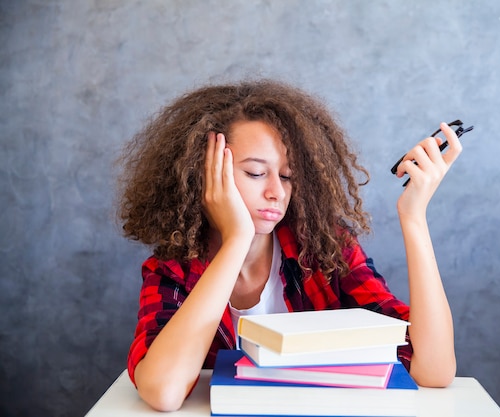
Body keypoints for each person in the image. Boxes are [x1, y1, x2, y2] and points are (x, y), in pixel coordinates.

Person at [117, 79, 460, 411]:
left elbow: (434, 369)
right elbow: (162, 392)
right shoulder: (174, 271)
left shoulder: (324, 252)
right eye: (254, 173)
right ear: (202, 174)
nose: (276, 192)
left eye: (286, 176)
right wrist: (237, 239)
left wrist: (413, 216)